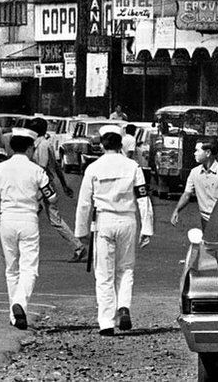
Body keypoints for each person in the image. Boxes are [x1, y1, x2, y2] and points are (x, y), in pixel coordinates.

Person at [75, 125, 153, 336]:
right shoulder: (133, 166)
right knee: (126, 268)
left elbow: (84, 203)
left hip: (104, 221)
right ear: (120, 144)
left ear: (101, 144)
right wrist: (147, 227)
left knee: (104, 273)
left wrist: (80, 231)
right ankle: (124, 306)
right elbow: (143, 198)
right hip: (128, 220)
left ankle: (106, 322)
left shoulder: (94, 168)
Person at [0, 127, 57, 330]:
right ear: (31, 147)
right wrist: (37, 197)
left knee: (11, 269)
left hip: (6, 220)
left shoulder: (1, 168)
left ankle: (15, 316)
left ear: (12, 147)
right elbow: (52, 196)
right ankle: (19, 304)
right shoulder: (36, 170)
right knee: (29, 268)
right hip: (28, 219)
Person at [28, 117, 86, 262]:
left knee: (52, 219)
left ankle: (78, 247)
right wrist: (64, 185)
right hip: (45, 185)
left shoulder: (41, 146)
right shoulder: (43, 143)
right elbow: (57, 167)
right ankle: (78, 247)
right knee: (34, 217)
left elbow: (41, 168)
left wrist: (38, 191)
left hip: (42, 186)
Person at [171, 138, 218, 230]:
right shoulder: (194, 173)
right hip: (205, 220)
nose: (194, 153)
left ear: (208, 153)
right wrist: (177, 210)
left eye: (197, 150)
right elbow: (186, 195)